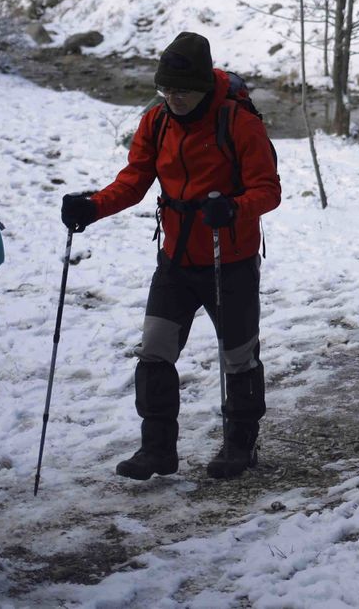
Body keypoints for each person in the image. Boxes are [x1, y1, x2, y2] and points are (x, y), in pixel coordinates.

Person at [62, 32, 281, 480]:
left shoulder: (237, 121)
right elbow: (135, 179)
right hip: (176, 258)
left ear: (202, 86)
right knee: (155, 352)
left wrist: (233, 207)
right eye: (166, 90)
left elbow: (269, 190)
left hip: (230, 257)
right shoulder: (157, 121)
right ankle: (157, 450)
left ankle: (240, 445)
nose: (173, 99)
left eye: (181, 91)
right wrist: (92, 206)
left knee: (238, 357)